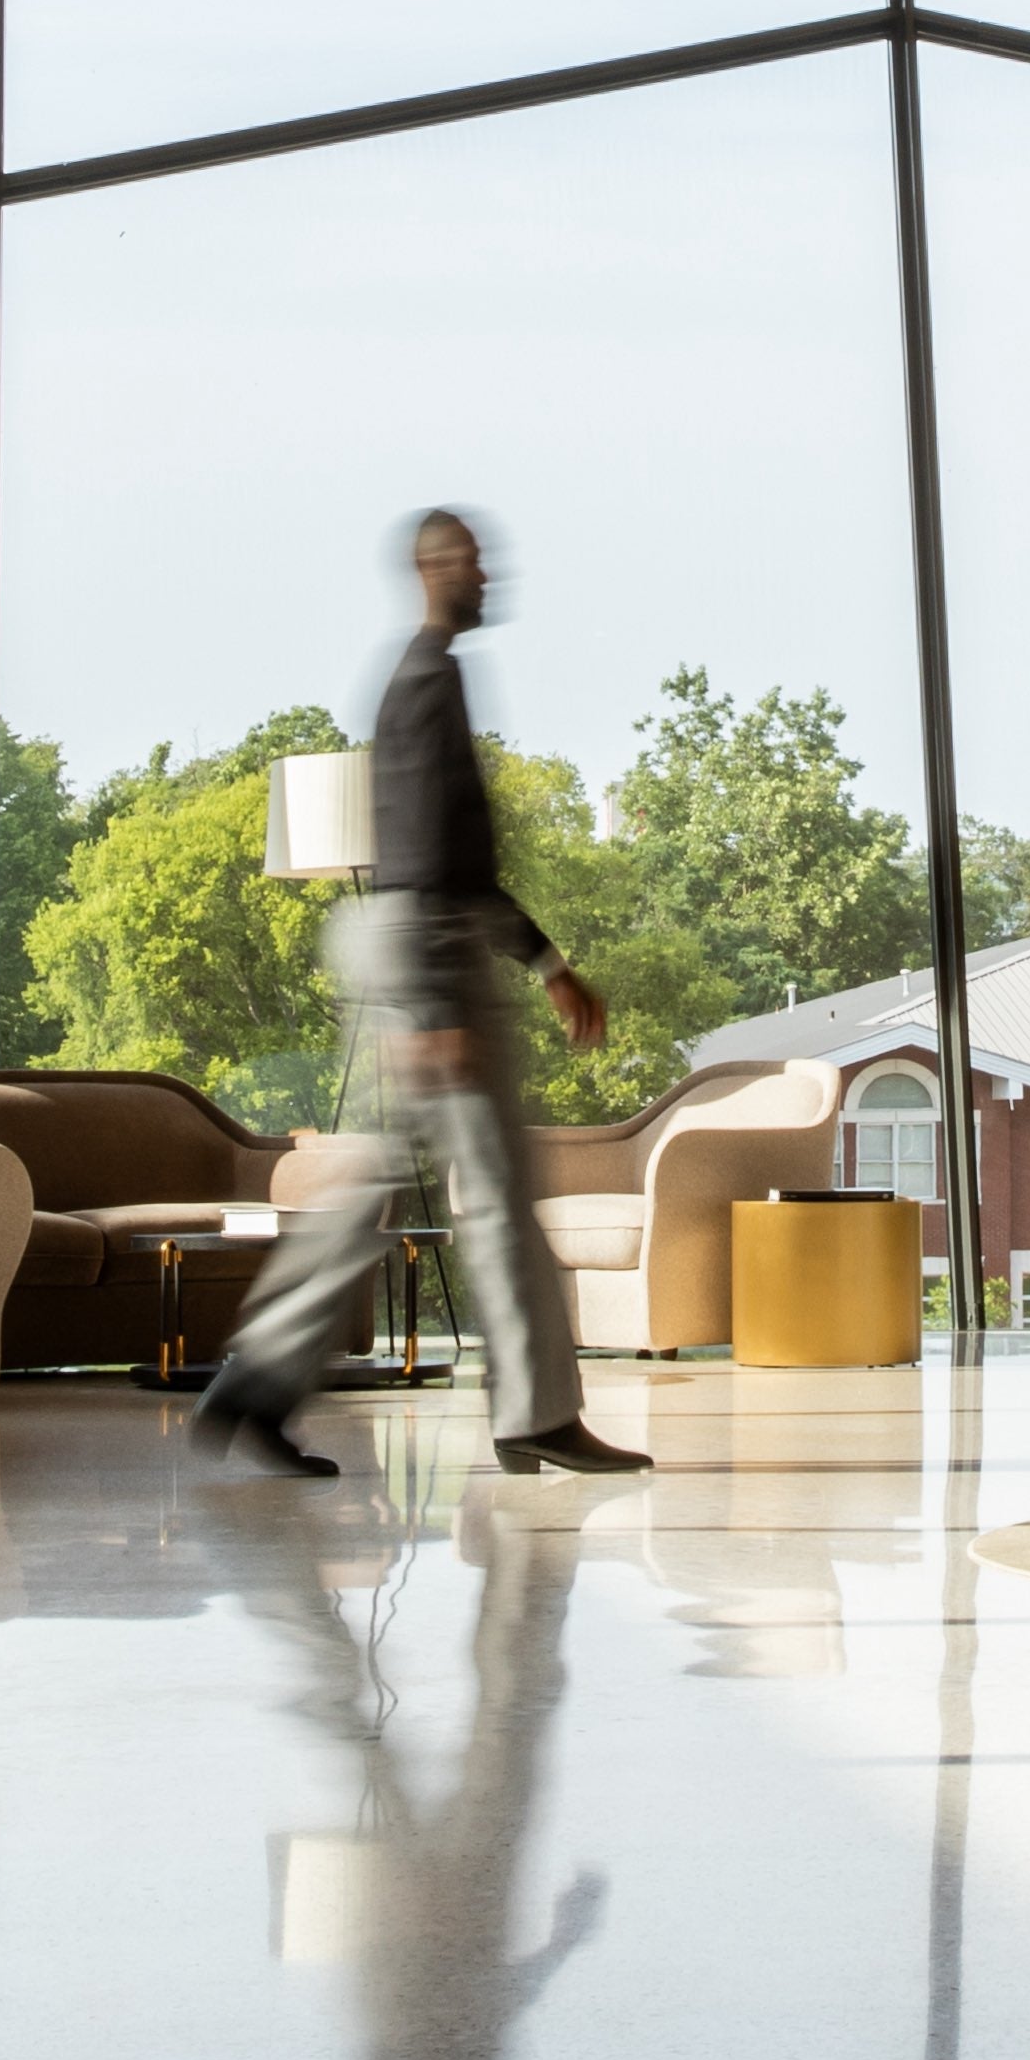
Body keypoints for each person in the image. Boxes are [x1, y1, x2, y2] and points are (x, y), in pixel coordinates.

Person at [194, 511, 651, 1481]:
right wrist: (439, 1010)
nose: (489, 575)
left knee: (376, 1186)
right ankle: (536, 1415)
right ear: (433, 568)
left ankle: (256, 1379)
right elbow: (422, 850)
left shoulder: (429, 674)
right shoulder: (426, 678)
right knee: (496, 1192)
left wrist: (549, 964)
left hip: (422, 940)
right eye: (473, 561)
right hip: (427, 950)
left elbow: (459, 858)